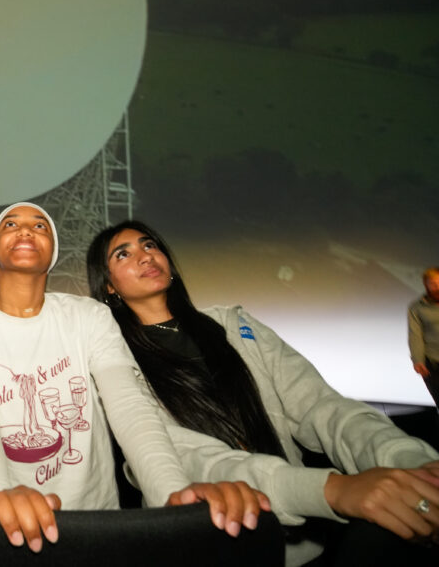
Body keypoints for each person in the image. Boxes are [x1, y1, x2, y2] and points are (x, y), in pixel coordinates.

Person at [87, 220, 439, 565]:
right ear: (109, 288)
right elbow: (193, 460)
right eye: (123, 254)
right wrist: (333, 490)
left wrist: (412, 463)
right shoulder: (116, 366)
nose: (145, 256)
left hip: (309, 548)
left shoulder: (235, 326)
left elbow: (323, 408)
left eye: (150, 245)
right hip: (212, 550)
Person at [0, 203, 269, 554]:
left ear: (53, 251)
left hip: (94, 527)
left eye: (40, 225)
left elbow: (130, 407)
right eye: (11, 224)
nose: (25, 231)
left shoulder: (89, 316)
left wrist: (173, 493)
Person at [409, 266, 439, 410]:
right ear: (426, 285)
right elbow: (415, 335)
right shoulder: (417, 308)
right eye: (432, 284)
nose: (437, 287)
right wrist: (418, 360)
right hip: (433, 364)